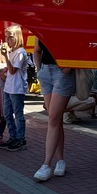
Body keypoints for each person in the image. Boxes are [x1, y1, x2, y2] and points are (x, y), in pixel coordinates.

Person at [33, 40, 74, 182]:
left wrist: (69, 66)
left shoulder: (68, 25)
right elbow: (37, 50)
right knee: (55, 120)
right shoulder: (43, 27)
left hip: (62, 73)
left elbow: (78, 45)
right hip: (46, 71)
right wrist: (39, 70)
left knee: (53, 118)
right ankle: (60, 160)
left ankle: (46, 164)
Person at [1, 25, 28, 152]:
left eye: (10, 37)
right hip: (9, 87)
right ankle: (13, 136)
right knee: (7, 113)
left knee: (18, 114)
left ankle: (21, 139)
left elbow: (12, 70)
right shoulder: (13, 52)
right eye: (6, 37)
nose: (7, 40)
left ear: (17, 37)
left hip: (17, 88)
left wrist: (6, 56)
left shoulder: (21, 53)